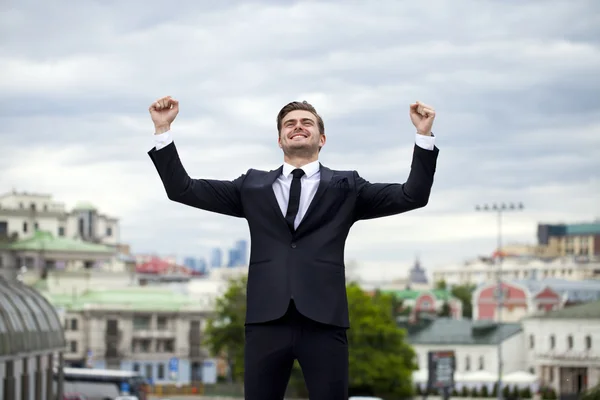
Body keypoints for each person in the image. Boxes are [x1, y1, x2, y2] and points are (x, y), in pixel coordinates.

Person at [147, 97, 439, 400]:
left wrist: (423, 136)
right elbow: (183, 189)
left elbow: (411, 195)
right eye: (290, 124)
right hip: (266, 322)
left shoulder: (348, 187)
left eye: (306, 122)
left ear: (322, 139)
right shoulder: (251, 186)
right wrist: (163, 129)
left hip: (324, 322)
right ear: (280, 139)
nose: (297, 126)